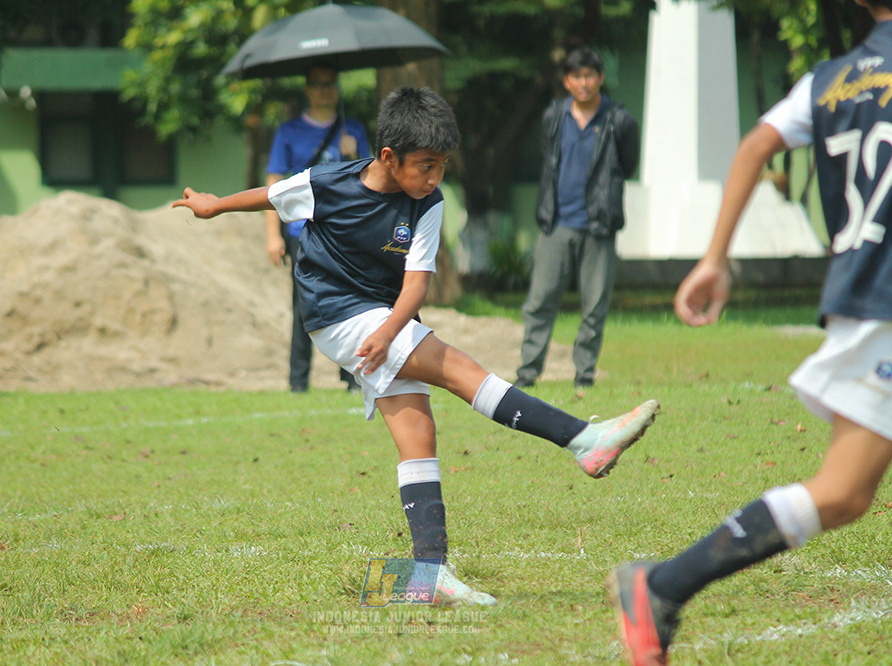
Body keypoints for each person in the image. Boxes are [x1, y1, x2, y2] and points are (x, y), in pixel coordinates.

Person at [174, 87, 659, 607]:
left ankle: (429, 573)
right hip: (334, 312)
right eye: (425, 165)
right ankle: (583, 440)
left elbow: (415, 285)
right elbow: (270, 196)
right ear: (388, 157)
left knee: (418, 433)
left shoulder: (428, 202)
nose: (434, 177)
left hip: (388, 314)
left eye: (443, 166)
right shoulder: (327, 182)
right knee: (457, 368)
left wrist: (388, 330)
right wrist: (213, 206)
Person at [609, 3, 892, 663]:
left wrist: (714, 258)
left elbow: (755, 145)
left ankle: (661, 585)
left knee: (848, 493)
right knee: (842, 491)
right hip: (890, 304)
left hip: (867, 292)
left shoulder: (832, 78)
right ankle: (662, 584)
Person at [516, 47, 640, 393]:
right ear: (567, 81)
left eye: (590, 75)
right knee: (540, 302)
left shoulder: (619, 119)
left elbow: (627, 165)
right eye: (577, 76)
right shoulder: (553, 117)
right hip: (556, 223)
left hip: (598, 226)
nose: (583, 83)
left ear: (600, 78)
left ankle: (584, 375)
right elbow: (548, 160)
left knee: (594, 307)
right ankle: (527, 373)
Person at [265, 64, 371, 393]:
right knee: (303, 306)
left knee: (353, 302)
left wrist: (354, 154)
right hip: (302, 232)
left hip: (344, 232)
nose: (326, 89)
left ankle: (353, 377)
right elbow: (273, 183)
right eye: (318, 84)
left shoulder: (352, 130)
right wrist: (272, 235)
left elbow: (371, 177)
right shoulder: (288, 132)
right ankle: (298, 383)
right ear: (308, 89)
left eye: (331, 83)